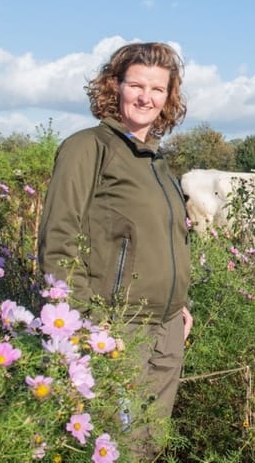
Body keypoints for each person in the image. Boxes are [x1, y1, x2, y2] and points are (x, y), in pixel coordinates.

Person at [38, 42, 193, 459]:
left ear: (168, 97)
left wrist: (179, 304)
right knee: (113, 445)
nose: (146, 97)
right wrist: (84, 323)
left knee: (150, 444)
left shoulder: (157, 162)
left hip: (167, 331)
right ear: (114, 87)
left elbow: (168, 241)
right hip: (116, 330)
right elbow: (58, 240)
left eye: (158, 89)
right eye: (136, 85)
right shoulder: (88, 148)